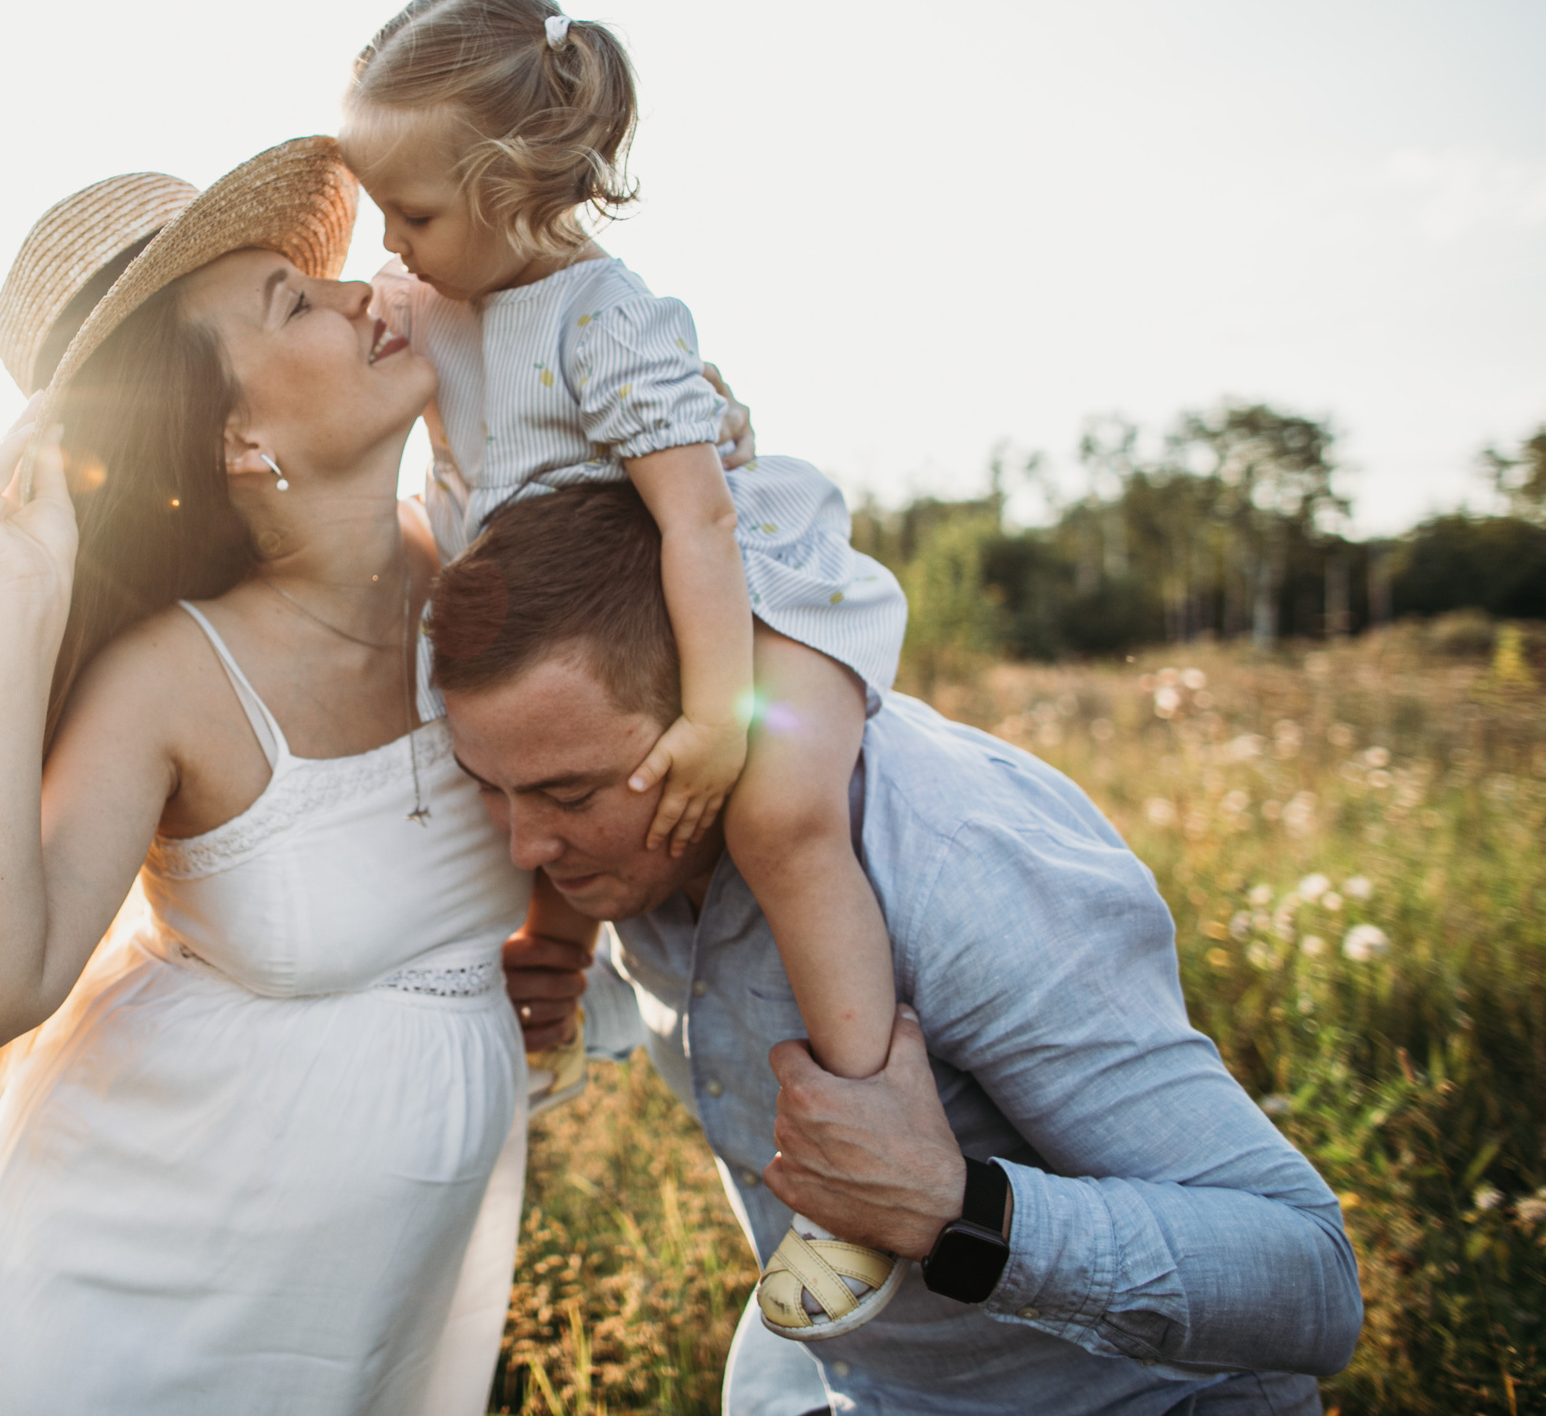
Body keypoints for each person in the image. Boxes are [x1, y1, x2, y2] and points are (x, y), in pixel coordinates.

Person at [0, 136, 770, 1413]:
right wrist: (23, 596)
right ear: (234, 437)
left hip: (361, 1317)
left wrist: (697, 444)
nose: (363, 293)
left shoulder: (497, 581)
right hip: (121, 1309)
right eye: (294, 302)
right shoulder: (173, 681)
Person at [439, 484, 1367, 1415]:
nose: (526, 846)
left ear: (712, 717)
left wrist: (958, 1213)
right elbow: (716, 996)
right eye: (487, 782)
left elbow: (1315, 1278)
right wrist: (577, 999)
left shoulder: (959, 870)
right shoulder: (631, 850)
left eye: (569, 794)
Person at [341, 0, 913, 1335]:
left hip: (726, 598)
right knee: (530, 808)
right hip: (579, 627)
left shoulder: (603, 319)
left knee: (778, 813)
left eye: (412, 212)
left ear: (513, 188)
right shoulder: (436, 298)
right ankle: (554, 1006)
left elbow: (698, 518)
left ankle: (868, 1155)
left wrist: (720, 718)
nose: (388, 240)